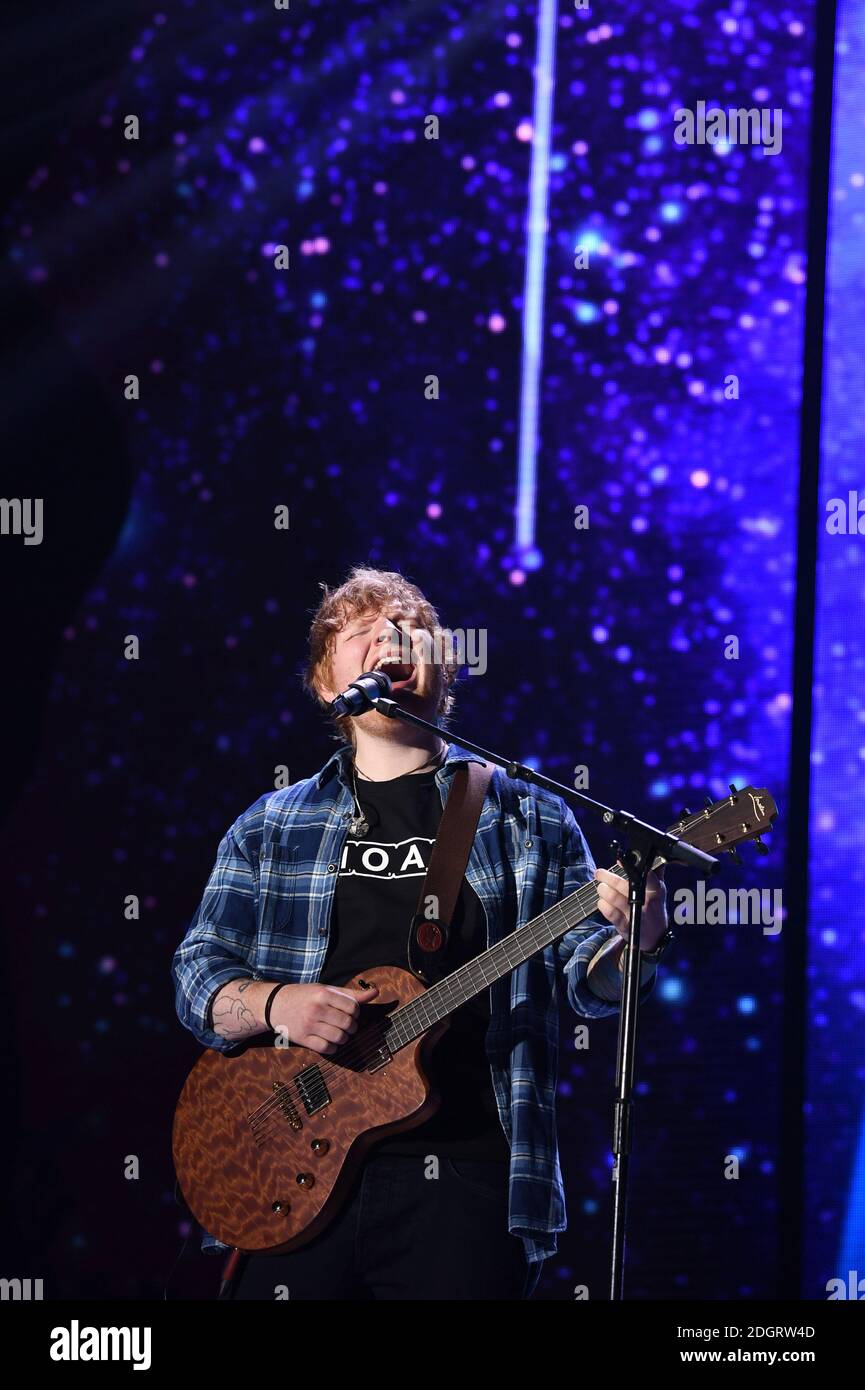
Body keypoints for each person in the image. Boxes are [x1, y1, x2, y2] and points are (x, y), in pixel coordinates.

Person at [170, 565, 669, 1299]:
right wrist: (279, 1004)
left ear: (445, 669)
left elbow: (586, 987)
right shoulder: (270, 826)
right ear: (322, 680)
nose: (388, 636)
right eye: (361, 629)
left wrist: (638, 937)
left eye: (410, 629)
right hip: (290, 1171)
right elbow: (195, 980)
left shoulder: (527, 816)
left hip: (468, 1180)